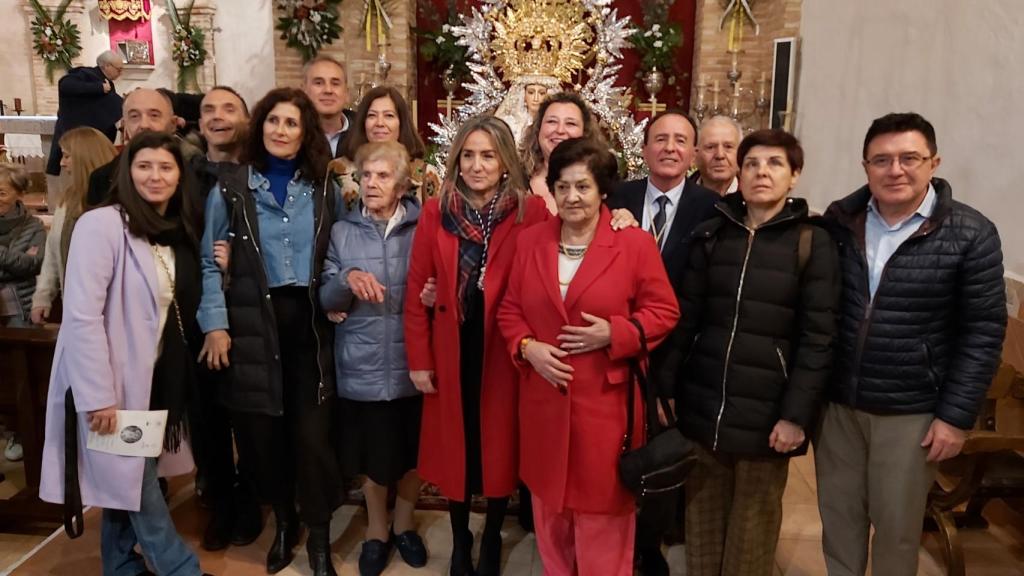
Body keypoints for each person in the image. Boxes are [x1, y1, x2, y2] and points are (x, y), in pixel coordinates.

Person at [816, 112, 1006, 576]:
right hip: (838, 405)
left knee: (897, 529)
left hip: (911, 410)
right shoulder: (839, 222)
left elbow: (982, 331)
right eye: (881, 160)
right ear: (865, 166)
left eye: (909, 158)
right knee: (839, 521)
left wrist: (955, 417)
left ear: (933, 163)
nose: (895, 170)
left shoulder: (970, 233)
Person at [496, 137, 680, 576]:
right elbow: (510, 310)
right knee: (551, 514)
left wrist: (615, 333)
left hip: (606, 406)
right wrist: (528, 348)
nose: (572, 197)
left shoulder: (633, 243)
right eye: (562, 187)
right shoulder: (531, 241)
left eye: (583, 186)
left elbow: (664, 311)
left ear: (602, 190)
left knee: (603, 518)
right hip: (544, 402)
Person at [665, 130, 838, 576]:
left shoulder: (811, 242)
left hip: (767, 413)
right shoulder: (713, 235)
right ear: (739, 174)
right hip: (704, 404)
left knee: (752, 528)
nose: (762, 172)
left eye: (775, 163)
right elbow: (687, 320)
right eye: (753, 164)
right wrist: (667, 389)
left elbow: (818, 338)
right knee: (702, 523)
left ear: (794, 175)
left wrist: (795, 416)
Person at [39, 132, 213, 576]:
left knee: (131, 477)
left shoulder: (175, 230)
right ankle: (179, 568)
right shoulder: (101, 225)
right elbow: (82, 316)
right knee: (138, 480)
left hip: (155, 376)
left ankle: (119, 565)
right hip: (112, 381)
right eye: (144, 166)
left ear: (179, 176)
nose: (155, 176)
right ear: (126, 172)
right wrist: (98, 395)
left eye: (166, 167)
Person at [196, 87, 341, 576]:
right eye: (273, 121)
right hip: (253, 329)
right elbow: (209, 261)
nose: (281, 130)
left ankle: (318, 538)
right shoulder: (231, 189)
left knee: (313, 443)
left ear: (305, 133)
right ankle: (284, 521)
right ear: (260, 128)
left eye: (291, 123)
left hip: (311, 332)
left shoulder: (324, 188)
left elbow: (341, 248)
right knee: (265, 441)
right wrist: (215, 325)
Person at [404, 115, 549, 576]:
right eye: (468, 155)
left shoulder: (531, 213)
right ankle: (460, 537)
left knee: (499, 449)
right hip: (453, 346)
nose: (477, 165)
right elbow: (416, 292)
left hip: (505, 350)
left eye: (488, 155)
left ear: (505, 162)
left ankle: (491, 537)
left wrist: (621, 216)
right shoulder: (436, 212)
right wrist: (419, 360)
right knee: (458, 449)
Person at [606, 109, 719, 576]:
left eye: (680, 140)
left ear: (693, 153)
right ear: (644, 148)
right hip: (615, 344)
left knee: (664, 449)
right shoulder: (618, 196)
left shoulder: (712, 208)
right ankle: (612, 537)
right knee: (613, 447)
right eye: (660, 139)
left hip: (680, 351)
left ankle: (649, 543)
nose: (670, 148)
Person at [319, 141, 425, 576]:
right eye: (366, 175)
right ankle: (377, 529)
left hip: (412, 361)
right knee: (371, 454)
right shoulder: (342, 232)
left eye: (383, 176)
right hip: (361, 361)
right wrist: (347, 278)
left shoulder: (423, 227)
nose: (372, 183)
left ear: (401, 186)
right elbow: (326, 298)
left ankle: (405, 524)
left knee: (412, 451)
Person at [190, 84, 264, 552]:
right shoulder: (184, 176)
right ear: (199, 124)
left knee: (251, 419)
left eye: (229, 108)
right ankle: (219, 501)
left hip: (251, 312)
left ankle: (251, 498)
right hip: (198, 312)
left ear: (246, 119)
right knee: (207, 418)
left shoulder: (259, 174)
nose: (218, 117)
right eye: (209, 110)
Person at [31, 127, 117, 326]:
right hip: (74, 304)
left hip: (111, 308)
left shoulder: (114, 199)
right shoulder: (67, 199)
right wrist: (42, 296)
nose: (62, 163)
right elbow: (53, 252)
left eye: (67, 156)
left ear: (85, 157)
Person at [332, 86, 439, 208]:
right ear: (363, 122)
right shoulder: (338, 170)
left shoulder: (426, 174)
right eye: (372, 115)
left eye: (389, 116)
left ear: (401, 123)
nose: (380, 123)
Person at [521, 92, 605, 214]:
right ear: (538, 130)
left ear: (585, 133)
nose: (560, 130)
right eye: (552, 121)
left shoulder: (605, 186)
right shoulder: (515, 184)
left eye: (570, 123)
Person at [45, 51, 123, 179]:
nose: (120, 73)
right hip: (76, 135)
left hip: (91, 137)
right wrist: (99, 88)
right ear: (106, 66)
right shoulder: (86, 74)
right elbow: (65, 84)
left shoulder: (106, 81)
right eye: (119, 69)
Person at [0, 163, 46, 329]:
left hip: (20, 308)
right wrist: (14, 263)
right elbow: (22, 263)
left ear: (20, 194)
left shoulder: (33, 226)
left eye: (2, 193)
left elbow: (32, 264)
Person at [302, 55, 355, 157]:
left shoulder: (363, 133)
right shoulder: (292, 135)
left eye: (335, 83)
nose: (328, 90)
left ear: (347, 93)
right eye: (319, 83)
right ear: (304, 91)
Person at [493, 74, 561, 146]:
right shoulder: (511, 123)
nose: (536, 98)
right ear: (524, 95)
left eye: (541, 93)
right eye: (531, 92)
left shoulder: (555, 123)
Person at [692, 115, 741, 196]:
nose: (720, 155)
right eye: (710, 147)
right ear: (695, 155)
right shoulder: (680, 195)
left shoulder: (754, 197)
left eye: (728, 147)